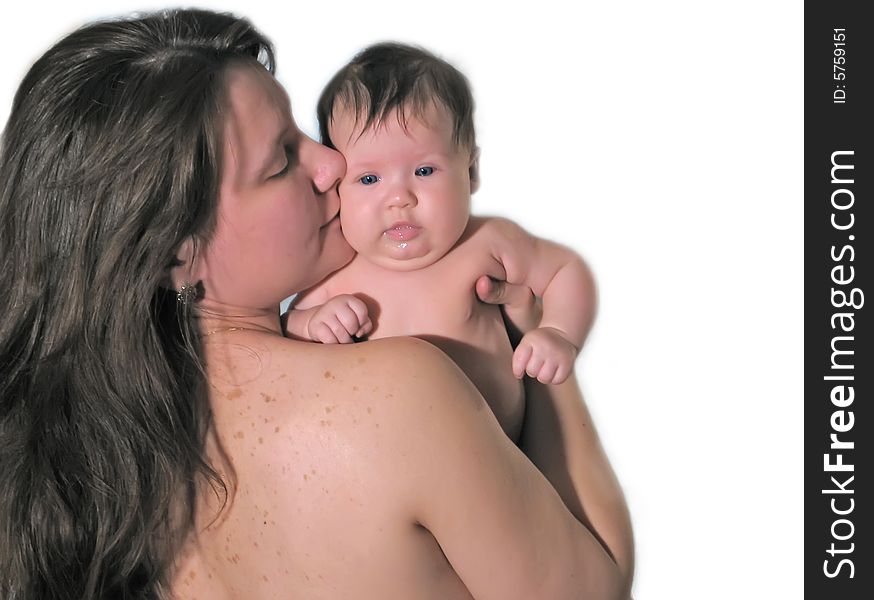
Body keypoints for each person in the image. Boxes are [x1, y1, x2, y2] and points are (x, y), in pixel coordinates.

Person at [0, 9, 632, 600]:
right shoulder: (403, 390)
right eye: (282, 160)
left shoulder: (107, 465)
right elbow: (595, 588)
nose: (333, 163)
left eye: (305, 133)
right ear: (176, 255)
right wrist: (532, 339)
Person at [285, 43, 595, 442]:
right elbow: (284, 334)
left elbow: (566, 271)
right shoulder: (338, 268)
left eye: (424, 170)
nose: (400, 197)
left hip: (498, 457)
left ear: (471, 171)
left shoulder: (486, 242)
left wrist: (559, 332)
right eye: (368, 179)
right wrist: (310, 323)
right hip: (383, 462)